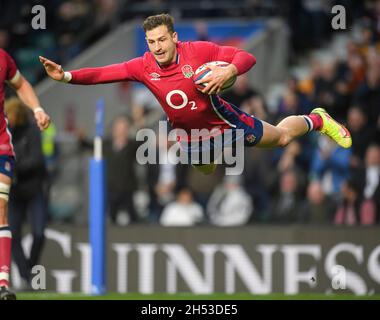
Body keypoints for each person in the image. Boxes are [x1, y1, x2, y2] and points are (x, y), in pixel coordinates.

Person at [39, 13, 351, 177]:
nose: (157, 47)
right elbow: (103, 74)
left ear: (174, 37)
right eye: (151, 41)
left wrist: (228, 72)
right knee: (202, 165)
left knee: (281, 139)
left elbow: (246, 58)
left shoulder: (197, 52)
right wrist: (65, 76)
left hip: (224, 123)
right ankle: (210, 156)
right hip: (189, 136)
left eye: (162, 40)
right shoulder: (142, 65)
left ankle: (317, 120)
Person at [0, 49, 50, 300]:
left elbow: (21, 84)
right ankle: (15, 277)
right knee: (9, 223)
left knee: (6, 214)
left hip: (9, 160)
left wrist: (38, 109)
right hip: (19, 184)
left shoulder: (3, 58)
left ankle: (12, 279)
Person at [5, 98, 48, 291]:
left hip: (33, 190)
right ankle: (26, 277)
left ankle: (29, 270)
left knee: (39, 233)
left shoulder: (31, 130)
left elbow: (37, 160)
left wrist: (14, 167)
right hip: (14, 192)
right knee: (12, 235)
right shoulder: (6, 133)